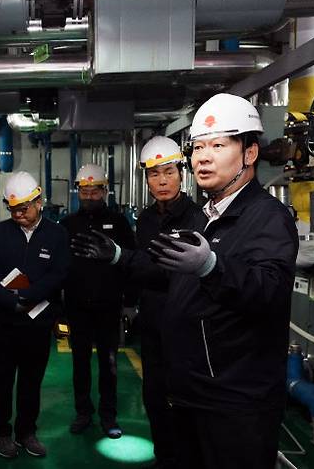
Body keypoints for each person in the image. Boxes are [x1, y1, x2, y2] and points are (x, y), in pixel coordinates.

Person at [151, 93, 298, 469]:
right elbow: (173, 277)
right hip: (192, 393)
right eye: (198, 146)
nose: (203, 156)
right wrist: (121, 259)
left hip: (235, 402)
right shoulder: (206, 216)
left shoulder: (269, 218)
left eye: (218, 145)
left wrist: (212, 267)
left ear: (249, 153)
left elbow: (269, 291)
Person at [0, 171, 70, 459]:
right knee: (1, 379)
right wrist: (10, 301)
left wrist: (28, 296)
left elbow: (59, 274)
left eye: (24, 208)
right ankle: (1, 431)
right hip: (3, 324)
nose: (19, 214)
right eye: (13, 209)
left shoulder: (56, 234)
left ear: (39, 201)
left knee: (31, 380)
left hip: (37, 323)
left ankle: (26, 432)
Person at [135, 136, 202, 468]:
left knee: (185, 400)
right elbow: (145, 271)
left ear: (181, 172)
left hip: (185, 325)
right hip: (151, 324)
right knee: (155, 397)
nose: (162, 181)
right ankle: (164, 457)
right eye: (153, 174)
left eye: (168, 172)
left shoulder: (197, 217)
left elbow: (178, 273)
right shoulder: (146, 220)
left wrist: (139, 264)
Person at [59, 163, 135, 439]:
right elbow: (59, 269)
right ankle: (83, 413)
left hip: (108, 306)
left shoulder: (119, 223)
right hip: (77, 307)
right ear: (78, 191)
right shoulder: (67, 225)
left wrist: (129, 302)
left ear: (105, 191)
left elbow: (131, 262)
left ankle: (108, 415)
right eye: (84, 190)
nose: (89, 195)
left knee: (109, 363)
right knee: (80, 363)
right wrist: (60, 310)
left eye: (95, 190)